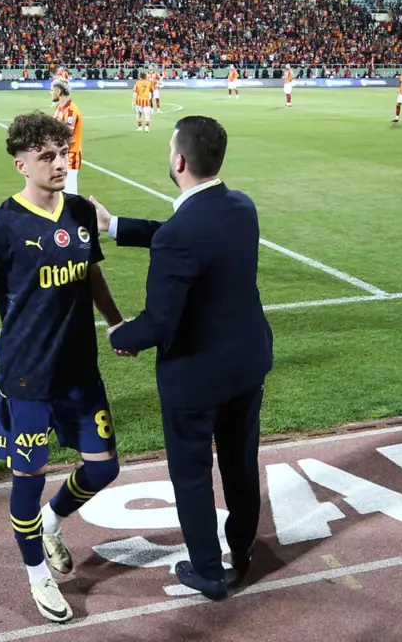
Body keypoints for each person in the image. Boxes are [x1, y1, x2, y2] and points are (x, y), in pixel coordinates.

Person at [0, 112, 127, 624]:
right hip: (26, 378)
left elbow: (90, 272)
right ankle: (37, 575)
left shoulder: (77, 211)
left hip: (79, 372)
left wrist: (116, 322)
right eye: (48, 156)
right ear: (21, 163)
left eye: (64, 153)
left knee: (104, 467)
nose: (59, 163)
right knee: (26, 481)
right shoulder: (0, 225)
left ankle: (53, 521)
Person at [97, 115, 274, 601]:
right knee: (240, 462)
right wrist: (115, 227)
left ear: (178, 160)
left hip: (196, 378)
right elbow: (185, 233)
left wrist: (117, 334)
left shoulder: (182, 234)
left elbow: (157, 324)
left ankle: (207, 572)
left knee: (192, 474)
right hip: (247, 364)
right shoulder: (242, 206)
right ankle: (242, 552)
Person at [49, 79, 83, 193]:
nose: (50, 93)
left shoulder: (70, 111)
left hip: (70, 156)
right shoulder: (58, 108)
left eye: (52, 90)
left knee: (70, 191)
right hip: (61, 155)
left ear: (59, 92)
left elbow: (66, 137)